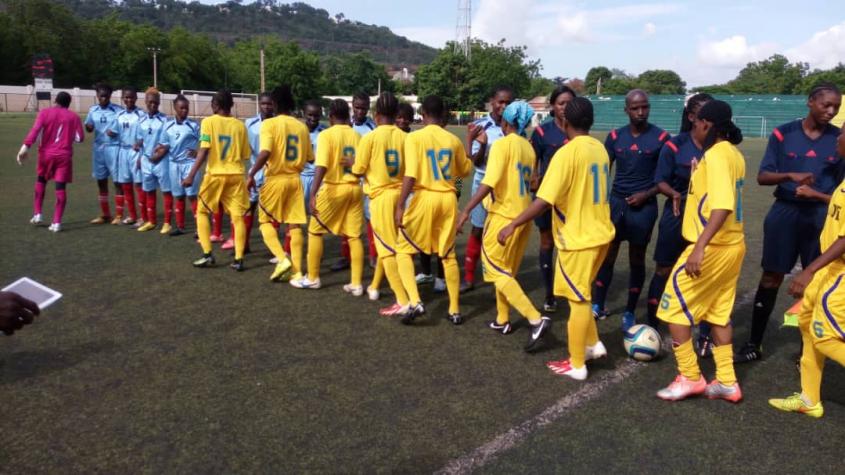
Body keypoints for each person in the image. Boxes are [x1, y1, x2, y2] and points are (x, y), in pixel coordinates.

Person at [498, 97, 615, 380]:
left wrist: (512, 224)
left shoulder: (566, 153)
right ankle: (592, 344)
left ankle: (577, 364)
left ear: (565, 121)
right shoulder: (599, 148)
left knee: (578, 300)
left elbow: (542, 201)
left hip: (578, 238)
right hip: (600, 233)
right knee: (582, 293)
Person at [736, 83, 843, 363]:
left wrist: (817, 195)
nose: (831, 111)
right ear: (810, 102)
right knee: (771, 276)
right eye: (826, 105)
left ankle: (808, 351)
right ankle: (754, 343)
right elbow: (763, 176)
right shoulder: (783, 133)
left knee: (816, 282)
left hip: (820, 217)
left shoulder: (839, 139)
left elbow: (841, 194)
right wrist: (790, 176)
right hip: (784, 213)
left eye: (836, 106)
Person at [655, 100, 746, 402]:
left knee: (673, 308)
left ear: (706, 124)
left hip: (712, 248)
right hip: (732, 246)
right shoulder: (734, 153)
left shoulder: (717, 155)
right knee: (719, 314)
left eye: (696, 123)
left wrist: (700, 247)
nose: (693, 128)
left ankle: (690, 376)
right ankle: (727, 381)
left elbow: (722, 206)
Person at [458, 101, 552, 350]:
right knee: (505, 271)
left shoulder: (501, 145)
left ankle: (535, 319)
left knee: (495, 270)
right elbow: (533, 183)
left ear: (507, 122)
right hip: (523, 217)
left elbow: (488, 183)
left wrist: (466, 210)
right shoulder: (528, 148)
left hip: (503, 215)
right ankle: (502, 320)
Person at [769, 127, 845, 418]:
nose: (837, 138)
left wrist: (808, 270)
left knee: (826, 337)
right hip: (830, 270)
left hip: (840, 273)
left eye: (842, 134)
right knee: (808, 323)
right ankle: (809, 399)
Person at [592, 89, 670, 331]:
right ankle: (598, 304)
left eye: (644, 107)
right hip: (616, 204)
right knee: (608, 254)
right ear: (626, 109)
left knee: (637, 258)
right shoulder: (615, 137)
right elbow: (602, 171)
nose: (640, 112)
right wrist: (601, 201)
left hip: (643, 207)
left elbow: (665, 178)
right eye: (635, 108)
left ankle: (629, 311)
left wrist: (646, 194)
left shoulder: (661, 138)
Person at [394, 95, 473, 325]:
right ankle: (454, 310)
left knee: (403, 249)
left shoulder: (415, 138)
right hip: (448, 199)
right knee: (447, 255)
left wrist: (400, 205)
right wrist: (469, 144)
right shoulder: (453, 140)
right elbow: (464, 171)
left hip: (424, 197)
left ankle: (415, 301)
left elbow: (410, 175)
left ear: (423, 114)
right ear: (443, 115)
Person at [646, 93, 713, 354]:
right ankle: (652, 325)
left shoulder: (718, 148)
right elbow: (660, 180)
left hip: (707, 219)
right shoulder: (675, 146)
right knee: (664, 268)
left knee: (703, 271)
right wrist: (674, 193)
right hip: (677, 213)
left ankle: (705, 334)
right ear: (692, 117)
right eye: (705, 114)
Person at [350, 92, 412, 316]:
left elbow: (358, 170)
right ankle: (378, 287)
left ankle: (403, 300)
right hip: (404, 196)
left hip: (381, 198)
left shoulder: (370, 138)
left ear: (375, 114)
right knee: (396, 247)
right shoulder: (406, 137)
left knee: (387, 252)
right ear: (396, 114)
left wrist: (354, 164)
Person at [292, 99, 363, 292]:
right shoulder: (357, 135)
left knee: (315, 231)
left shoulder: (326, 135)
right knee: (354, 236)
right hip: (355, 189)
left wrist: (313, 193)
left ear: (330, 116)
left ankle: (313, 277)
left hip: (334, 189)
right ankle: (357, 283)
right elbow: (362, 166)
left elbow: (321, 166)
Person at [247, 85, 311, 282]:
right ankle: (297, 272)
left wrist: (251, 173)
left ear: (274, 103)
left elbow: (265, 152)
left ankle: (283, 259)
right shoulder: (301, 127)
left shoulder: (269, 124)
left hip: (276, 179)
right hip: (295, 180)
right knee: (294, 225)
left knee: (265, 222)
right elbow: (310, 157)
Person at [183, 90, 251, 271]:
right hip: (236, 175)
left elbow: (204, 149)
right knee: (238, 217)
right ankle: (239, 259)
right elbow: (245, 154)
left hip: (215, 175)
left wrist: (191, 175)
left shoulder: (208, 122)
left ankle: (207, 254)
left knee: (202, 211)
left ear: (215, 105)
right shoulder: (240, 126)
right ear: (231, 105)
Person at [529, 86, 576, 312]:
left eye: (569, 103)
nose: (565, 107)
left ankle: (569, 289)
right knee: (547, 242)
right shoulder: (542, 132)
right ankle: (549, 293)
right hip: (548, 197)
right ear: (553, 106)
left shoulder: (578, 132)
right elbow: (533, 160)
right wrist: (534, 176)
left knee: (570, 245)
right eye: (561, 103)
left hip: (573, 198)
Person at [463, 86, 514, 292]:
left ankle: (500, 279)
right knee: (477, 229)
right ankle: (468, 277)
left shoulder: (515, 128)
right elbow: (475, 162)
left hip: (506, 185)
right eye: (501, 101)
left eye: (508, 103)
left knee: (502, 232)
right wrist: (482, 145)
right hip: (483, 181)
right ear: (492, 101)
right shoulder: (480, 126)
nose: (504, 106)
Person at [17, 91, 84, 232]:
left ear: (55, 101)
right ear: (69, 104)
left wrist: (25, 147)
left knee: (41, 180)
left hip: (46, 155)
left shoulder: (45, 113)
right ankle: (57, 222)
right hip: (64, 156)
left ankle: (37, 214)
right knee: (60, 188)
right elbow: (80, 138)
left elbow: (35, 130)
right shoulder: (74, 117)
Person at [221, 93, 274, 251]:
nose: (266, 106)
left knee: (272, 211)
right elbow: (243, 144)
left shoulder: (277, 123)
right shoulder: (249, 123)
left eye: (269, 104)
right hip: (255, 171)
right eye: (263, 103)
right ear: (259, 104)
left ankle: (275, 248)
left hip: (273, 173)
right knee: (247, 207)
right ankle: (243, 243)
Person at [157, 94, 200, 236]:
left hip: (189, 164)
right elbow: (164, 144)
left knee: (192, 196)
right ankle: (180, 227)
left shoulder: (194, 126)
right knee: (179, 196)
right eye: (181, 108)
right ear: (175, 108)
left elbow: (207, 142)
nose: (184, 110)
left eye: (186, 108)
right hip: (174, 165)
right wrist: (158, 150)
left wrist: (198, 152)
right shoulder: (167, 126)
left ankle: (199, 228)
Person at [84, 83, 123, 224]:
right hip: (99, 149)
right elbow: (89, 127)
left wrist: (116, 132)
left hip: (114, 148)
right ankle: (105, 214)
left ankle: (119, 216)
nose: (104, 98)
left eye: (106, 96)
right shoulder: (93, 110)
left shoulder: (118, 110)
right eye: (101, 96)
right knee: (101, 181)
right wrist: (88, 127)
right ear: (97, 96)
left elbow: (124, 127)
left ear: (110, 96)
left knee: (117, 182)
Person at [135, 87, 171, 233]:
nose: (153, 105)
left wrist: (160, 155)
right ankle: (151, 221)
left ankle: (167, 222)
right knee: (149, 191)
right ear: (145, 102)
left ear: (159, 103)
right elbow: (140, 140)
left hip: (161, 161)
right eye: (150, 102)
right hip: (146, 161)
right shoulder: (141, 120)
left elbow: (168, 142)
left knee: (166, 191)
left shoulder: (165, 120)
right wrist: (139, 152)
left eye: (155, 102)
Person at [113, 87, 145, 226]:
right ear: (122, 99)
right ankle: (132, 215)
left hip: (135, 152)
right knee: (126, 184)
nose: (129, 100)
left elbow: (146, 134)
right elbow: (115, 131)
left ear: (136, 98)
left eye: (131, 97)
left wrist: (140, 143)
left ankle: (143, 217)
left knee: (138, 183)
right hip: (123, 151)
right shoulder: (119, 115)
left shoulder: (141, 114)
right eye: (126, 97)